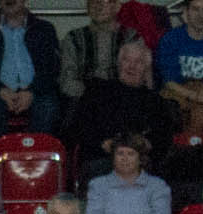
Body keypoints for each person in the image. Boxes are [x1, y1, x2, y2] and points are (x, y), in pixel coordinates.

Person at [65, 36, 169, 168]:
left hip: (140, 164)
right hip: (102, 158)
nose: (131, 66)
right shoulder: (97, 91)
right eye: (126, 60)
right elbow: (78, 128)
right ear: (119, 64)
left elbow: (162, 139)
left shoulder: (155, 101)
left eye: (138, 62)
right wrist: (102, 143)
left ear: (146, 68)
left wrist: (146, 144)